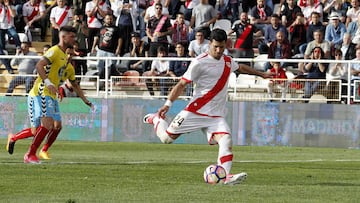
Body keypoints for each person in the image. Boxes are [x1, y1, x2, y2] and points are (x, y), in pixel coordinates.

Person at [143, 29, 270, 185]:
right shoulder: (199, 62)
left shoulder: (228, 61)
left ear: (225, 45)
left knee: (226, 140)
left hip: (216, 116)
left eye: (222, 47)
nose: (218, 50)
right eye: (215, 46)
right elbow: (182, 84)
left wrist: (262, 74)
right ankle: (156, 120)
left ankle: (225, 176)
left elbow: (241, 68)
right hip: (195, 111)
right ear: (210, 44)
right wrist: (167, 104)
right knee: (166, 138)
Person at [6, 26, 93, 164]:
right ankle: (30, 154)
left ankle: (33, 148)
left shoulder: (65, 59)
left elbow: (74, 84)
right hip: (41, 91)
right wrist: (48, 82)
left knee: (49, 127)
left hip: (51, 95)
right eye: (72, 37)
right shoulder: (54, 51)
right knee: (46, 125)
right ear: (63, 37)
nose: (74, 40)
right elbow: (39, 65)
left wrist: (84, 99)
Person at [91, 13, 121, 86]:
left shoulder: (116, 29)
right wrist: (93, 47)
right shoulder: (101, 28)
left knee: (110, 67)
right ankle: (100, 82)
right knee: (99, 66)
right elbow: (97, 37)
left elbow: (120, 39)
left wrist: (118, 48)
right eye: (108, 19)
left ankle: (109, 83)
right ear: (105, 20)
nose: (109, 20)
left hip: (111, 51)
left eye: (111, 19)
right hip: (101, 50)